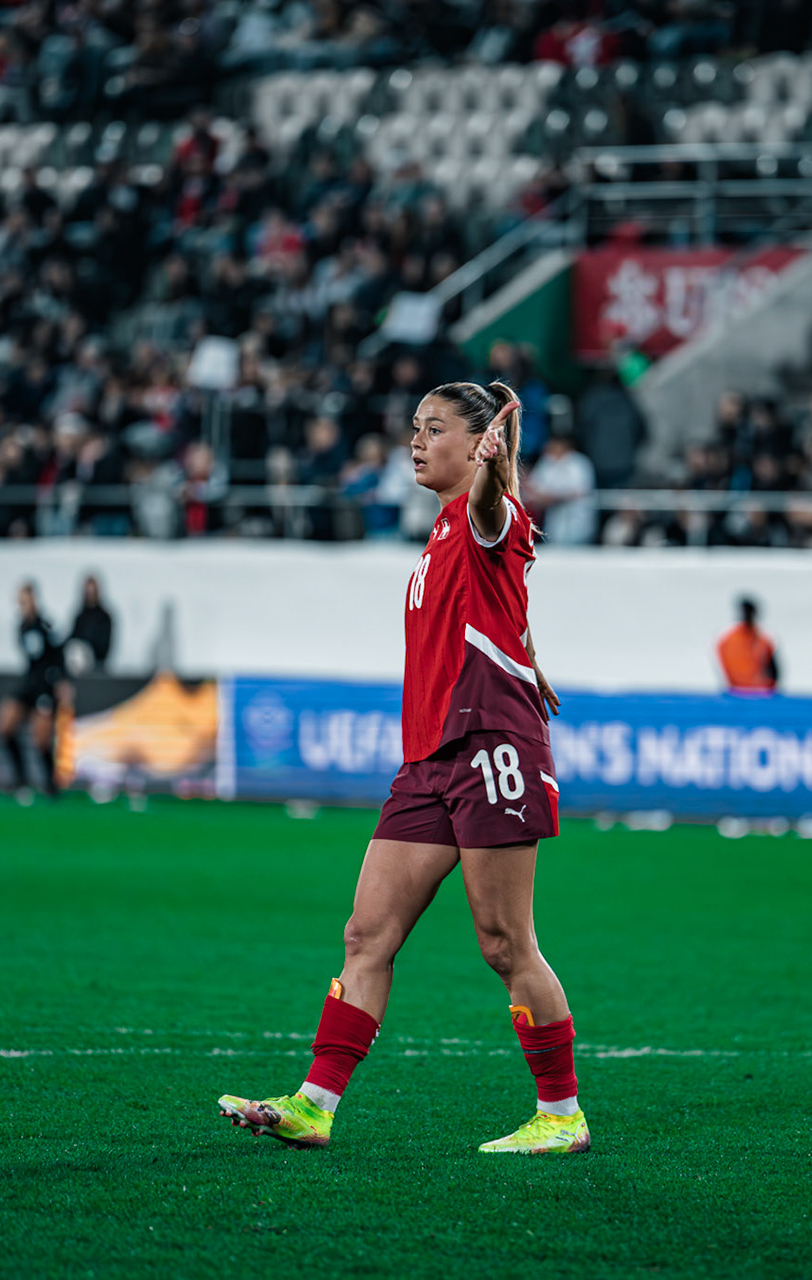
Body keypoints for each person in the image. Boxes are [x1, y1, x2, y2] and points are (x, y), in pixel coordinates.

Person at [217, 380, 588, 1155]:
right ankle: (316, 1105)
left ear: (477, 444)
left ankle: (561, 1116)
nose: (416, 441)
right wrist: (530, 656)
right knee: (367, 932)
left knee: (503, 942)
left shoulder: (493, 515)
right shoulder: (445, 533)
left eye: (435, 428)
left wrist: (495, 465)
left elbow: (495, 513)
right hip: (427, 760)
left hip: (490, 746)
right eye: (412, 427)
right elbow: (491, 608)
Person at [0, 581, 72, 803]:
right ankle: (20, 777)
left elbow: (59, 655)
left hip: (45, 685)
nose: (22, 604)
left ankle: (50, 783)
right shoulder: (21, 625)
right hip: (28, 682)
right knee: (4, 725)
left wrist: (61, 682)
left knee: (41, 739)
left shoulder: (46, 625)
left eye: (25, 598)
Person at [716, 596, 779, 695]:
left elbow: (773, 667)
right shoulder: (727, 638)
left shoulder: (764, 638)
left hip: (760, 691)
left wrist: (771, 689)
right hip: (737, 690)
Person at [68, 573, 114, 673]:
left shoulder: (104, 617)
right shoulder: (80, 616)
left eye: (92, 591)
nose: (90, 594)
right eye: (88, 591)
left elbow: (105, 645)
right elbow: (73, 638)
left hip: (98, 668)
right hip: (79, 670)